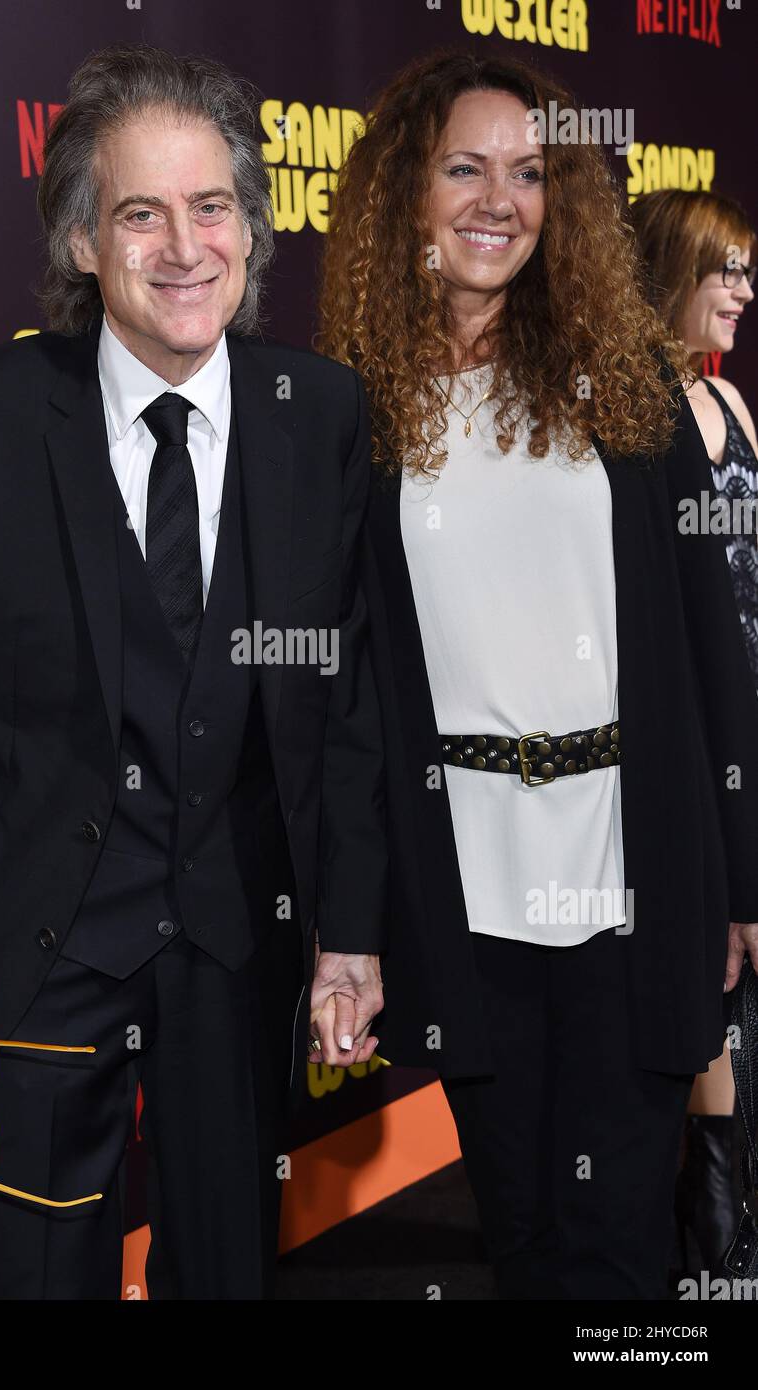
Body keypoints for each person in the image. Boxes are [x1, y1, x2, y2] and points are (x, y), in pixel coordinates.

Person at [0, 43, 385, 1301]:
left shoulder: (320, 413)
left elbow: (345, 709)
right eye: (139, 212)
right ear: (83, 242)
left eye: (211, 209)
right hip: (30, 951)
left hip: (235, 950)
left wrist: (348, 934)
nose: (181, 245)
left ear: (251, 231)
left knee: (227, 1274)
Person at [318, 49, 758, 1299]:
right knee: (515, 1229)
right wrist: (350, 924)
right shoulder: (359, 416)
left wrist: (741, 872)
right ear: (407, 192)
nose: (495, 199)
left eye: (528, 173)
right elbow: (349, 699)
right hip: (461, 890)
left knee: (617, 1242)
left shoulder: (633, 397)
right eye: (463, 167)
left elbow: (711, 650)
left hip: (630, 876)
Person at [629, 188, 758, 1276]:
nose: (741, 294)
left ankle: (721, 1191)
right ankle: (710, 1205)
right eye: (723, 270)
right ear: (673, 272)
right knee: (711, 957)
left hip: (749, 713)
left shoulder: (737, 413)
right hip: (690, 729)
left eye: (746, 273)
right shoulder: (642, 414)